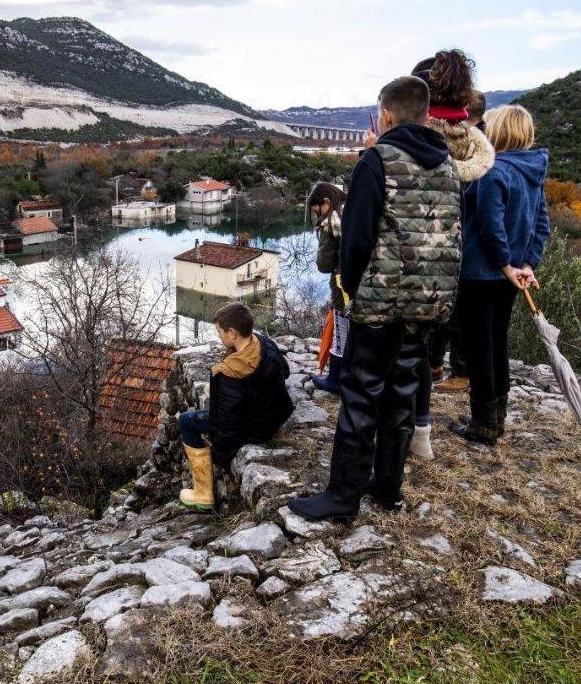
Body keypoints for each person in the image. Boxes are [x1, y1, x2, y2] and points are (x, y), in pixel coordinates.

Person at [288, 76, 461, 522]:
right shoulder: (448, 165)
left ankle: (342, 497)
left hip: (380, 302)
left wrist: (353, 287)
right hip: (429, 301)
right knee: (402, 395)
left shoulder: (376, 161)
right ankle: (388, 489)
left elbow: (357, 239)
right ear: (425, 114)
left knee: (361, 394)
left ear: (385, 114)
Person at [408, 52, 493, 458]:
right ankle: (422, 431)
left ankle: (402, 436)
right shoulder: (470, 150)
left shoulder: (415, 147)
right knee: (427, 354)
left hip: (410, 267)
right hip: (454, 265)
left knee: (407, 355)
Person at [450, 105, 550, 446]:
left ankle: (483, 424)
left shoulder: (493, 172)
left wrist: (506, 265)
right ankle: (496, 417)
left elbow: (491, 226)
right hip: (510, 277)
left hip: (481, 274)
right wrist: (526, 265)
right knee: (497, 344)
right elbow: (541, 225)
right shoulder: (533, 172)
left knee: (480, 348)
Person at [177, 302, 294, 509]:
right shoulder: (264, 343)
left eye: (220, 332)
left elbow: (225, 428)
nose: (219, 337)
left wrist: (220, 454)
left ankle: (203, 494)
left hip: (254, 429)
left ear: (232, 333)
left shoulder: (227, 372)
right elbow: (284, 371)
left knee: (186, 420)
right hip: (274, 416)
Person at [434, 93, 488, 395]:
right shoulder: (472, 145)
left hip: (467, 247)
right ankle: (438, 363)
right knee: (449, 312)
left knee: (459, 314)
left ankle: (462, 370)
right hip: (459, 243)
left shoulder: (474, 149)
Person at [308, 182, 348, 393]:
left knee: (341, 331)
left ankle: (335, 380)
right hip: (367, 286)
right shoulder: (355, 210)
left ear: (326, 202)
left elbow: (324, 265)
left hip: (344, 287)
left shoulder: (332, 222)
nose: (318, 217)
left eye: (317, 211)